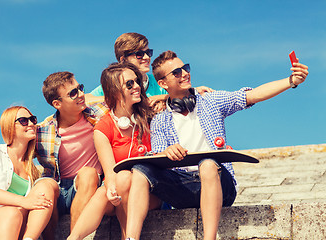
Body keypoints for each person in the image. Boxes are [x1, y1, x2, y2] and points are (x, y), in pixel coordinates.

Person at [125, 50, 309, 240]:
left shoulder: (210, 101)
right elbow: (157, 157)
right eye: (177, 72)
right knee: (140, 169)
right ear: (163, 83)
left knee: (207, 163)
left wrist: (291, 81)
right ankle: (131, 238)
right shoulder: (160, 120)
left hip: (220, 184)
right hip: (183, 187)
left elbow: (252, 95)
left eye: (185, 68)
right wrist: (166, 152)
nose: (185, 74)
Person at [0, 71, 109, 239]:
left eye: (80, 88)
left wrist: (154, 100)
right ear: (57, 103)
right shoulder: (43, 130)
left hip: (86, 187)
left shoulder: (101, 113)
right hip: (57, 192)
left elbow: (132, 101)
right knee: (45, 184)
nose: (81, 94)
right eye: (73, 93)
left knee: (89, 173)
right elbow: (16, 146)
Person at [67, 62, 161, 240]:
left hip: (150, 192)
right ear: (114, 91)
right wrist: (110, 188)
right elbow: (110, 172)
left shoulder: (151, 118)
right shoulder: (103, 127)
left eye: (137, 81)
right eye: (129, 84)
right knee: (114, 184)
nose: (137, 87)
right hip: (117, 190)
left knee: (126, 178)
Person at [0, 106, 58, 240]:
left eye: (32, 119)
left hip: (12, 220)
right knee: (11, 213)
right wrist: (24, 201)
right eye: (23, 121)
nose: (31, 124)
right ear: (9, 126)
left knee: (39, 192)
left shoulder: (33, 171)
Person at [88, 32, 214, 112]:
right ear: (123, 59)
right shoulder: (113, 84)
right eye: (139, 54)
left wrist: (162, 98)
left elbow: (181, 95)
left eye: (148, 53)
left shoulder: (159, 82)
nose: (147, 57)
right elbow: (86, 100)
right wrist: (120, 97)